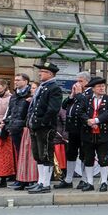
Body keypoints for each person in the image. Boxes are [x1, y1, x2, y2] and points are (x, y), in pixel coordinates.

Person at [25, 62, 62, 194]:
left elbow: (53, 109)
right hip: (35, 126)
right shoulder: (43, 87)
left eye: (43, 71)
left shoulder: (54, 88)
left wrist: (41, 122)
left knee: (46, 155)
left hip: (45, 127)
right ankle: (40, 181)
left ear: (50, 74)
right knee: (38, 155)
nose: (40, 73)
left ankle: (45, 184)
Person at [78, 77, 108, 192]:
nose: (102, 88)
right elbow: (80, 112)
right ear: (93, 88)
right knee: (88, 158)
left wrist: (96, 121)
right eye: (99, 86)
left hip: (103, 133)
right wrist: (88, 121)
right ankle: (89, 182)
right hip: (88, 133)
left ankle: (104, 182)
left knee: (103, 158)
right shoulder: (86, 99)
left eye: (103, 86)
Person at [57, 72, 91, 190]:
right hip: (73, 129)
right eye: (77, 81)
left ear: (87, 82)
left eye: (80, 81)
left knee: (84, 154)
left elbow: (86, 106)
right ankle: (68, 179)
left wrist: (79, 94)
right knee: (71, 154)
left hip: (84, 129)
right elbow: (64, 106)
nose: (77, 84)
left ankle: (84, 179)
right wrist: (71, 95)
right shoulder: (76, 94)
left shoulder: (89, 94)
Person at [14, 82, 39, 190]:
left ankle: (33, 179)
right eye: (32, 88)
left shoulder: (40, 101)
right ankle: (22, 179)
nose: (32, 90)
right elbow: (22, 115)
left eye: (34, 88)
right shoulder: (27, 100)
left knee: (33, 156)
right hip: (26, 129)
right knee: (24, 156)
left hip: (36, 129)